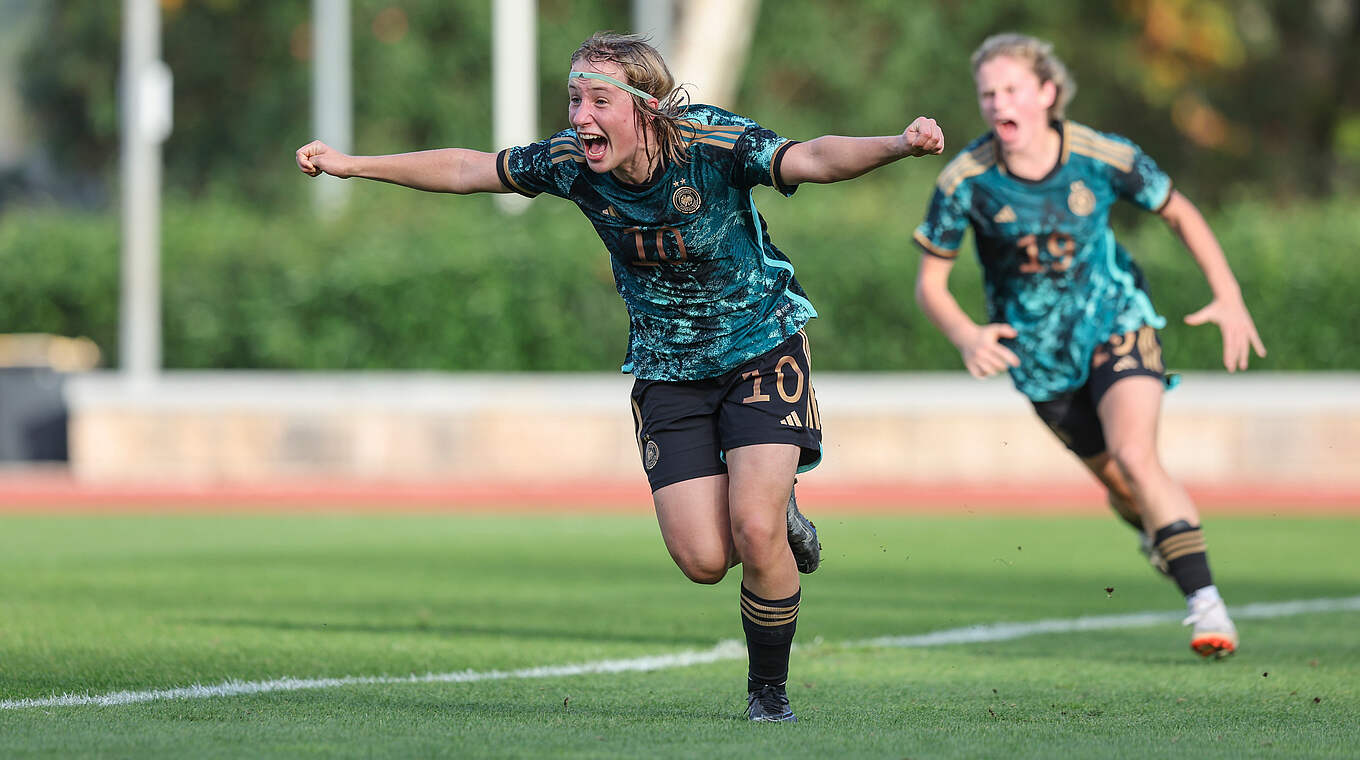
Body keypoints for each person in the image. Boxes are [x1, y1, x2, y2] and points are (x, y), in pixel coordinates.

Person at [297, 32, 944, 719]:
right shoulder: (573, 164)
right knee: (703, 560)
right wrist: (352, 165)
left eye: (598, 101)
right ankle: (774, 510)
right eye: (574, 99)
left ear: (647, 106)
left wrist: (899, 144)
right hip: (666, 369)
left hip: (760, 347)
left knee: (754, 530)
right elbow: (468, 168)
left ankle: (768, 694)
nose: (580, 116)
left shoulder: (710, 143)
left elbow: (809, 157)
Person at [912, 33, 1265, 659]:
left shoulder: (1102, 155)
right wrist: (966, 334)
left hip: (1116, 321)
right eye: (988, 93)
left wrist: (1229, 294)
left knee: (1135, 454)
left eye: (1012, 89)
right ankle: (1158, 532)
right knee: (1124, 488)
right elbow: (930, 285)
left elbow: (1179, 211)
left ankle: (1207, 606)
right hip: (1039, 360)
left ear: (1048, 93)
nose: (998, 103)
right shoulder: (966, 179)